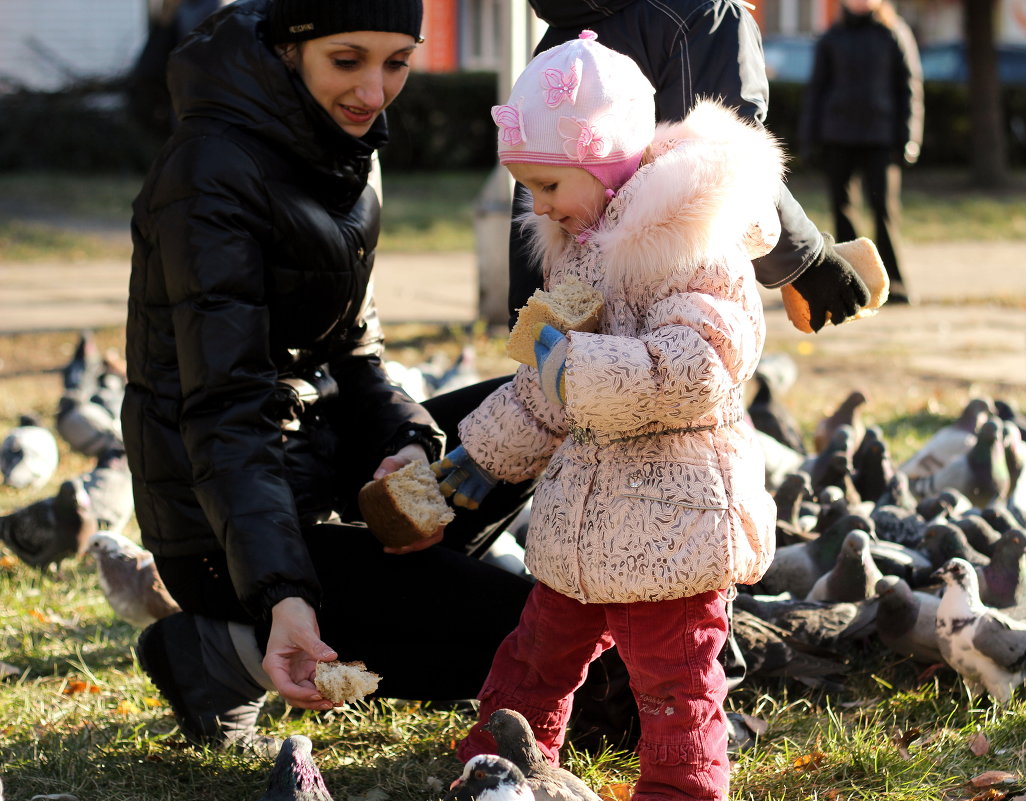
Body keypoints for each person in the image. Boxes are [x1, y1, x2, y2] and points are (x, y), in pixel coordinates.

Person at [123, 0, 533, 752]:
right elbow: (225, 411)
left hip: (315, 469)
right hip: (221, 527)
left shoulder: (344, 142)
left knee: (541, 400)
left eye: (397, 62)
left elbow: (357, 356)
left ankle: (390, 595)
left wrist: (410, 442)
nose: (374, 93)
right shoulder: (209, 172)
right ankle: (225, 648)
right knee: (551, 644)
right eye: (348, 61)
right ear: (288, 49)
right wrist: (283, 592)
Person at [439, 31, 779, 801]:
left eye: (551, 184)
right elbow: (542, 391)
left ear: (603, 162)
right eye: (528, 187)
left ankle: (680, 787)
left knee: (674, 680)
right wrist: (484, 451)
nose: (541, 205)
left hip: (677, 522)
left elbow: (699, 366)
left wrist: (579, 367)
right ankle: (498, 761)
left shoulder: (693, 243)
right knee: (535, 652)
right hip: (586, 525)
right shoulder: (581, 249)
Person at [510, 0, 873, 335]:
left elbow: (542, 169)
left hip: (561, 287)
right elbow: (719, 159)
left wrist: (527, 294)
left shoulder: (571, 20)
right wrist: (809, 261)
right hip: (668, 293)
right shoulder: (703, 14)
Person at [799, 0, 923, 303]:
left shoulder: (893, 34)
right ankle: (853, 284)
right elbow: (817, 90)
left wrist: (910, 138)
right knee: (842, 210)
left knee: (883, 211)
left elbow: (909, 87)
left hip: (880, 137)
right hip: (838, 135)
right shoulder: (832, 38)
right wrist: (808, 138)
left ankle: (894, 283)